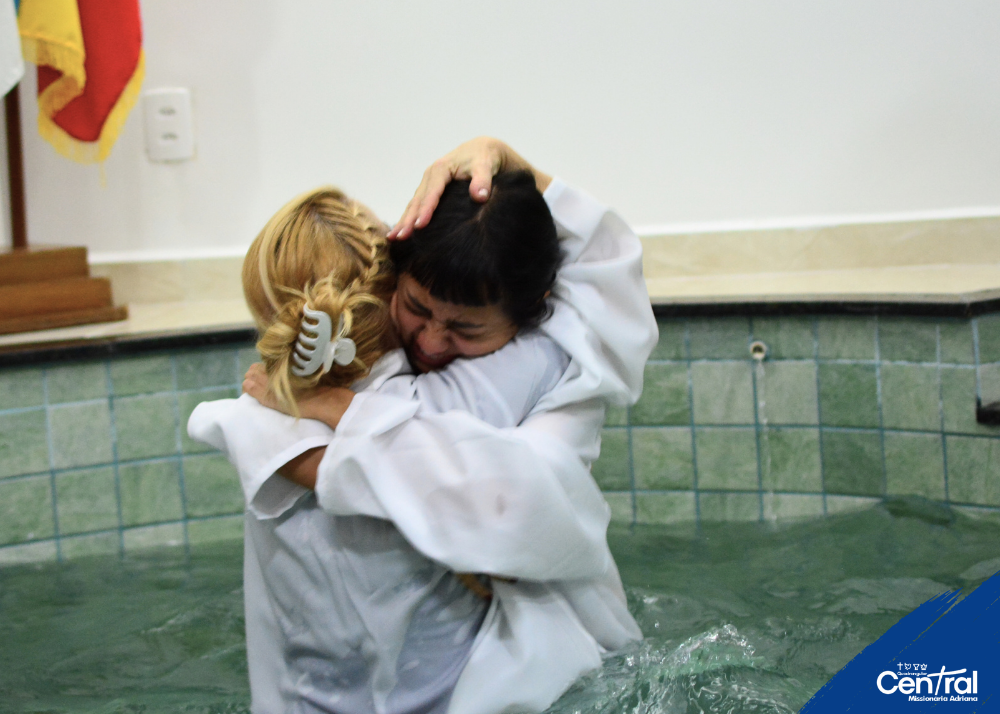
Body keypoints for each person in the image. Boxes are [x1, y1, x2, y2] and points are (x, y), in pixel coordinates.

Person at [189, 137, 658, 714]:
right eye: (416, 308)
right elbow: (606, 280)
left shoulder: (263, 417)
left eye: (466, 329)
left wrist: (327, 407)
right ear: (392, 278)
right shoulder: (511, 376)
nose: (433, 341)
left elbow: (482, 489)